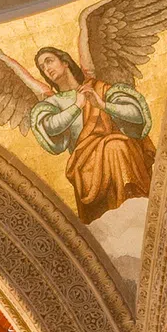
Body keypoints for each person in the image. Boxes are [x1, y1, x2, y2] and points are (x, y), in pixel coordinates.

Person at [28, 45, 154, 221]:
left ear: (65, 62)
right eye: (42, 67)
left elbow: (137, 115)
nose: (47, 69)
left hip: (119, 151)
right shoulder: (55, 102)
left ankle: (134, 204)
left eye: (49, 61)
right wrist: (77, 106)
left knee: (117, 145)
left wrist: (102, 105)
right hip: (85, 165)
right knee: (115, 146)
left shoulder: (98, 88)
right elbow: (49, 127)